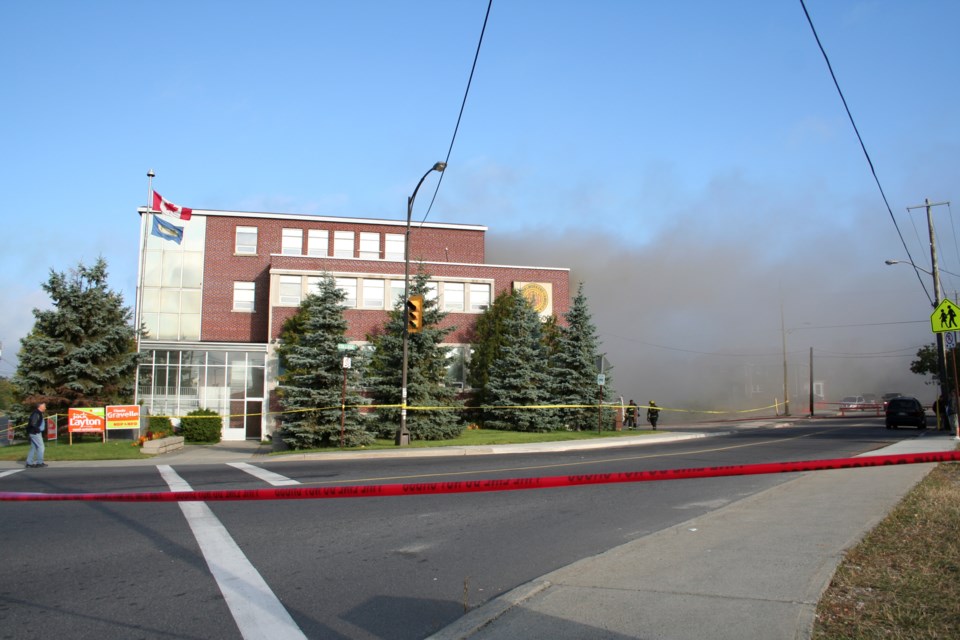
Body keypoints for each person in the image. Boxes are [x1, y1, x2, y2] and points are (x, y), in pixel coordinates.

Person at [26, 402, 48, 468]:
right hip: (35, 433)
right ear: (40, 407)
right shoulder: (36, 413)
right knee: (41, 447)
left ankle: (29, 463)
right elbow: (33, 423)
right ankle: (40, 463)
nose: (45, 407)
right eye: (44, 406)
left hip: (33, 432)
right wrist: (37, 430)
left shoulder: (38, 413)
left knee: (33, 448)